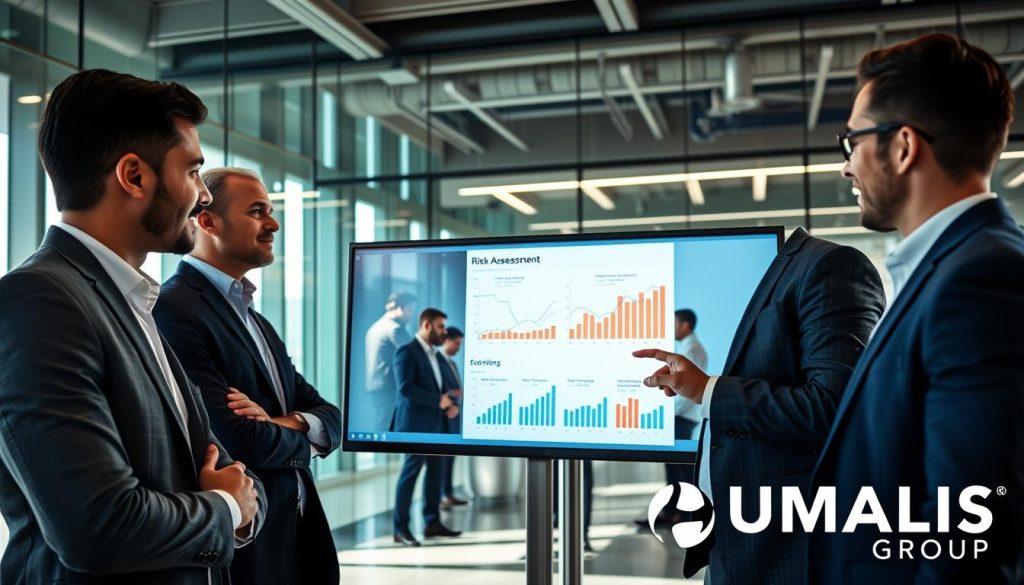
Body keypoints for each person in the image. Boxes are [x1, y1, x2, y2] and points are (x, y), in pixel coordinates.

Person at [0, 69, 266, 584]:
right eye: (192, 172)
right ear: (135, 176)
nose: (203, 196)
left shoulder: (132, 301)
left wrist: (233, 502)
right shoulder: (37, 302)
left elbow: (237, 475)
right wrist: (226, 509)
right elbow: (96, 528)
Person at [811, 33, 1024, 583]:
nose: (845, 166)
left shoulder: (978, 281)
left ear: (903, 147)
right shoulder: (956, 267)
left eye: (852, 142)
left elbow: (969, 539)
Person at [635, 226, 884, 583]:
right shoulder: (778, 277)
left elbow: (834, 408)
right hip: (736, 538)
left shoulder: (830, 265)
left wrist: (707, 390)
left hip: (782, 547)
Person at [154, 168, 342, 585]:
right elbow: (233, 439)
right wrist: (302, 429)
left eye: (270, 211)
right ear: (207, 221)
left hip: (295, 534)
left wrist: (284, 421)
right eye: (258, 212)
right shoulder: (174, 310)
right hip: (247, 547)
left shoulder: (256, 320)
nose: (273, 224)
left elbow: (330, 415)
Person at [392, 308, 463, 546]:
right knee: (410, 475)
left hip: (437, 425)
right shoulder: (407, 352)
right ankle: (400, 528)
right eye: (441, 326)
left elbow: (438, 389)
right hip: (415, 427)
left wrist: (448, 405)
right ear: (426, 326)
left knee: (436, 474)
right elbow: (405, 388)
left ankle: (432, 523)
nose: (444, 331)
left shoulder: (436, 356)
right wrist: (437, 401)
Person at [365, 291, 417, 431]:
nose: (412, 316)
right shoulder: (395, 329)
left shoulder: (376, 326)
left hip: (376, 387)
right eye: (410, 311)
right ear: (400, 308)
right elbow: (415, 353)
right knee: (386, 429)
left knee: (383, 425)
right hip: (388, 388)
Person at [437, 326, 469, 510]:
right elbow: (439, 390)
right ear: (446, 341)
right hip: (444, 418)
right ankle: (442, 496)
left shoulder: (452, 363)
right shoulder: (437, 361)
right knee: (441, 462)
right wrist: (454, 395)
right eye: (456, 343)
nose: (459, 347)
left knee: (450, 460)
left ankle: (447, 494)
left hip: (454, 418)